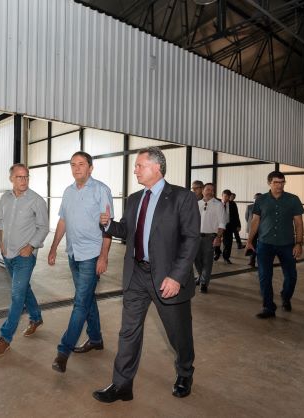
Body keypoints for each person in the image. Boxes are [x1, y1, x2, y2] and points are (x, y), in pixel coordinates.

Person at [93, 147, 200, 403]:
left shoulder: (182, 198)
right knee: (128, 332)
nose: (135, 170)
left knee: (178, 333)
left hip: (167, 278)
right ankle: (122, 385)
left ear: (156, 167)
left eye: (140, 165)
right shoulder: (133, 198)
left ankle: (185, 372)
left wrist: (176, 276)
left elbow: (191, 240)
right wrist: (108, 225)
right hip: (136, 276)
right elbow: (127, 231)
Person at [48, 151, 113, 373]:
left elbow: (108, 227)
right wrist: (54, 246)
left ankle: (63, 351)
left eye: (81, 164)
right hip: (73, 253)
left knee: (80, 302)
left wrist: (103, 256)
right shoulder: (68, 192)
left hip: (92, 255)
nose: (77, 168)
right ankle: (95, 339)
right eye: (73, 164)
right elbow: (63, 221)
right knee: (87, 300)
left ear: (90, 168)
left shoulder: (101, 190)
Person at [0, 164, 49, 356]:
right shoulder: (5, 198)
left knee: (16, 295)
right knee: (24, 289)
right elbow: (0, 222)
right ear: (11, 179)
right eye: (19, 177)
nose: (23, 181)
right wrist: (0, 242)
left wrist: (30, 247)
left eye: (26, 177)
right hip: (7, 254)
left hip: (25, 257)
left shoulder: (37, 201)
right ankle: (36, 317)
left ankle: (5, 337)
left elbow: (43, 228)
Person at [246, 171, 304, 319]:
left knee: (291, 276)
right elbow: (255, 221)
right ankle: (268, 307)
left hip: (287, 244)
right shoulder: (261, 200)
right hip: (265, 244)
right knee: (264, 276)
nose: (279, 185)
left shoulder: (293, 199)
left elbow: (298, 222)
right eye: (276, 182)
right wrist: (249, 241)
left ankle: (286, 296)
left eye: (282, 182)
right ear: (269, 183)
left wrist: (299, 243)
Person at [194, 183, 225, 293]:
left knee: (207, 262)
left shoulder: (218, 204)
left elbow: (222, 223)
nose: (210, 191)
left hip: (210, 237)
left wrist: (218, 237)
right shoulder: (197, 204)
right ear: (203, 191)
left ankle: (204, 283)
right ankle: (200, 276)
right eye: (208, 189)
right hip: (196, 237)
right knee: (196, 259)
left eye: (212, 190)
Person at [214, 189, 240, 264]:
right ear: (222, 196)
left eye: (228, 197)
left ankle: (226, 257)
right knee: (217, 240)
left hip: (228, 225)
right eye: (225, 196)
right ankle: (217, 253)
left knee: (228, 243)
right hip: (218, 226)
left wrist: (238, 225)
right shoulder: (217, 203)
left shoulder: (232, 204)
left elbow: (236, 215)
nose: (226, 198)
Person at [244, 193, 262, 267]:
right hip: (252, 230)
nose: (257, 200)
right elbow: (247, 217)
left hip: (262, 229)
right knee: (252, 245)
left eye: (259, 198)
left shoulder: (264, 207)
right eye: (256, 198)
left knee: (261, 246)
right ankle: (252, 261)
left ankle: (260, 261)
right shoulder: (249, 207)